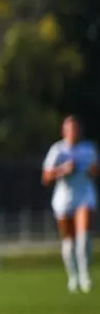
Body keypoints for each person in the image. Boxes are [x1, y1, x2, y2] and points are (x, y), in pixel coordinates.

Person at [45, 115, 96, 293]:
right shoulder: (58, 151)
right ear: (64, 131)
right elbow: (46, 177)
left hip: (85, 195)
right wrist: (64, 169)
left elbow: (96, 170)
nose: (73, 132)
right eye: (69, 129)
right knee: (69, 240)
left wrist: (90, 169)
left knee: (84, 237)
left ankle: (85, 274)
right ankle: (72, 276)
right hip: (64, 198)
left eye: (76, 128)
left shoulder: (88, 149)